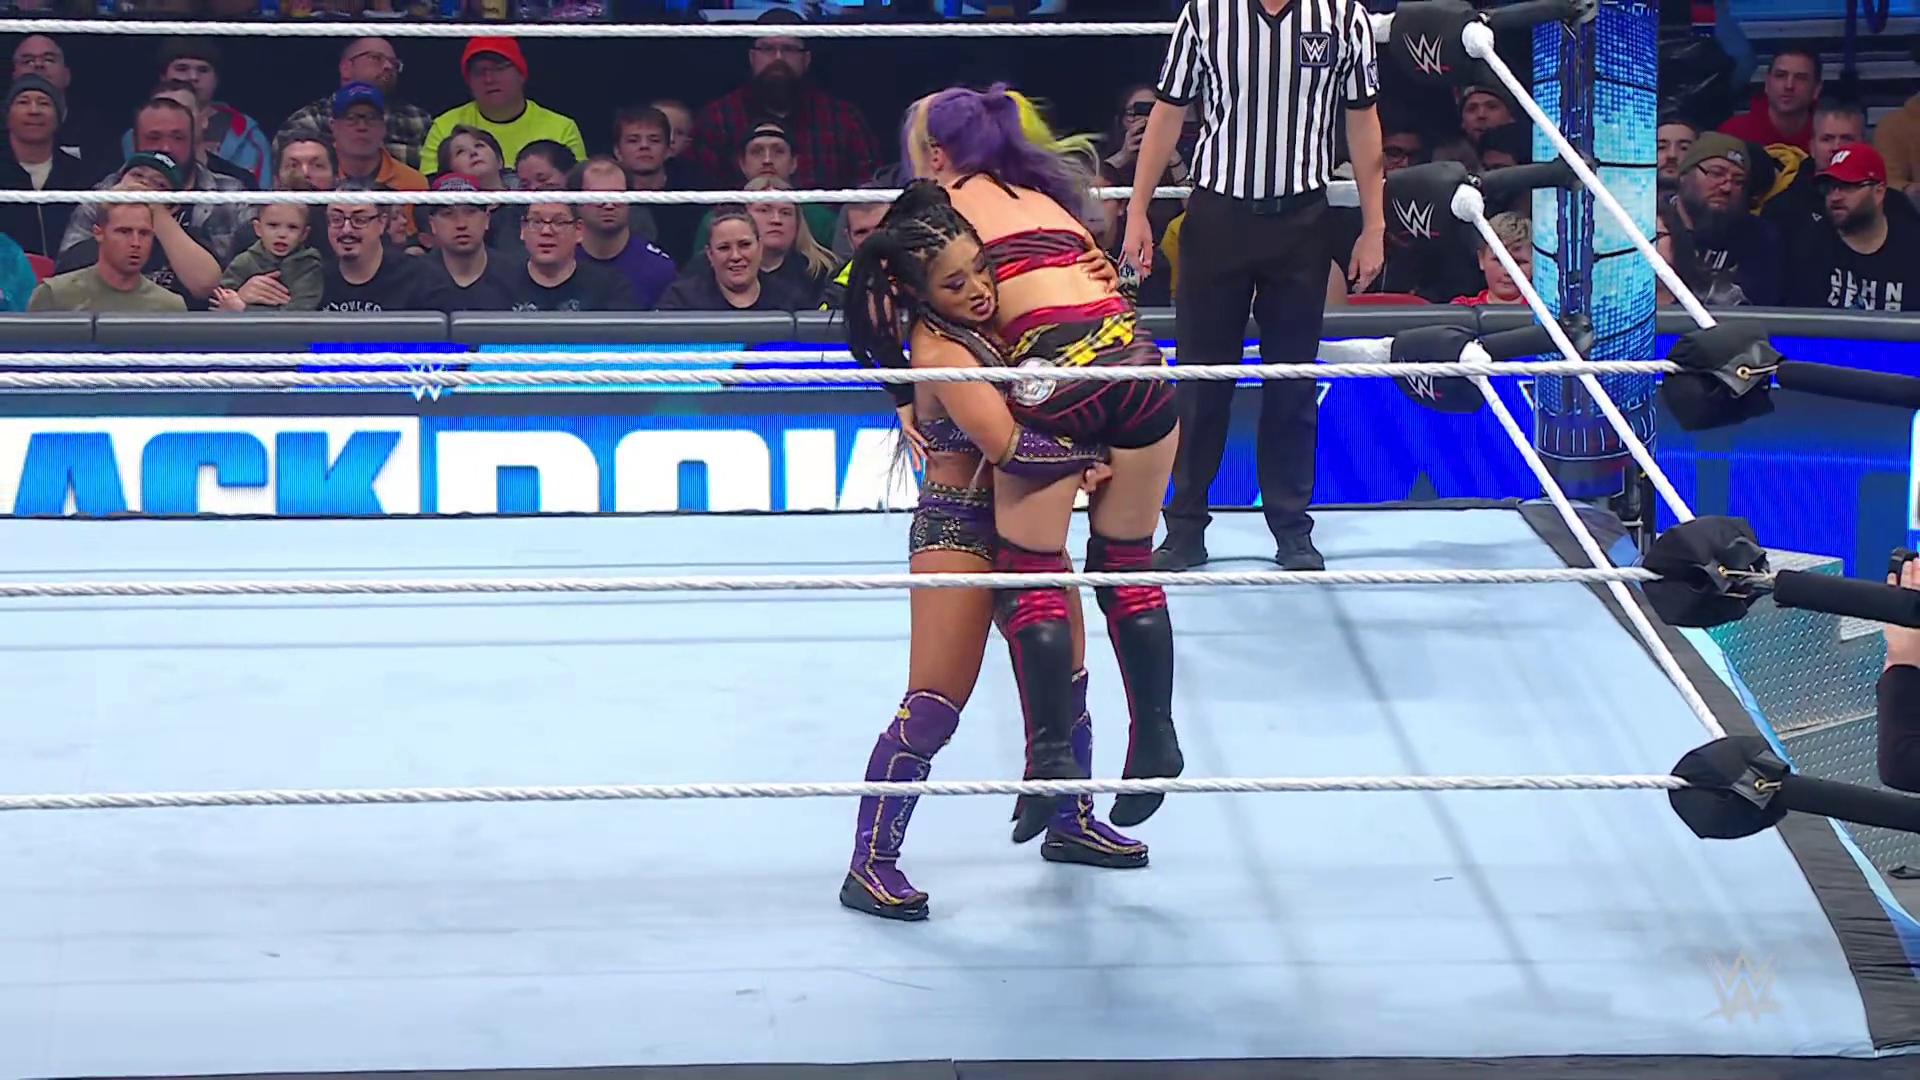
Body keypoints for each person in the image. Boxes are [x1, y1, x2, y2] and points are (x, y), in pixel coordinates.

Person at [837, 180, 1149, 921]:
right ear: (918, 293)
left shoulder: (990, 315)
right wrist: (1090, 455)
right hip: (959, 530)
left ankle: (1070, 819)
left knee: (1067, 673)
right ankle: (869, 863)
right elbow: (1008, 446)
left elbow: (1077, 330)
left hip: (1026, 521)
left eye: (981, 269)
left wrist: (1108, 275)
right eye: (956, 283)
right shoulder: (938, 347)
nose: (979, 289)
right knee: (935, 702)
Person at [901, 86, 1184, 840]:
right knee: (1128, 562)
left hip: (1058, 375)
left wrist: (901, 393)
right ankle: (1155, 735)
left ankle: (1050, 757)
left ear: (937, 154)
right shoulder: (1053, 205)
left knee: (1032, 572)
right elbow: (1107, 287)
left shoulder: (936, 212)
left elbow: (875, 300)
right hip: (1143, 369)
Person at [1125, 0, 1386, 574]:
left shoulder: (1343, 16)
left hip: (1302, 219)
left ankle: (1292, 527)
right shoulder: (1207, 12)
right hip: (1218, 215)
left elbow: (1363, 120)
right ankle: (1184, 527)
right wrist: (1137, 210)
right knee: (1201, 379)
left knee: (1292, 381)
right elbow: (1169, 112)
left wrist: (1374, 226)